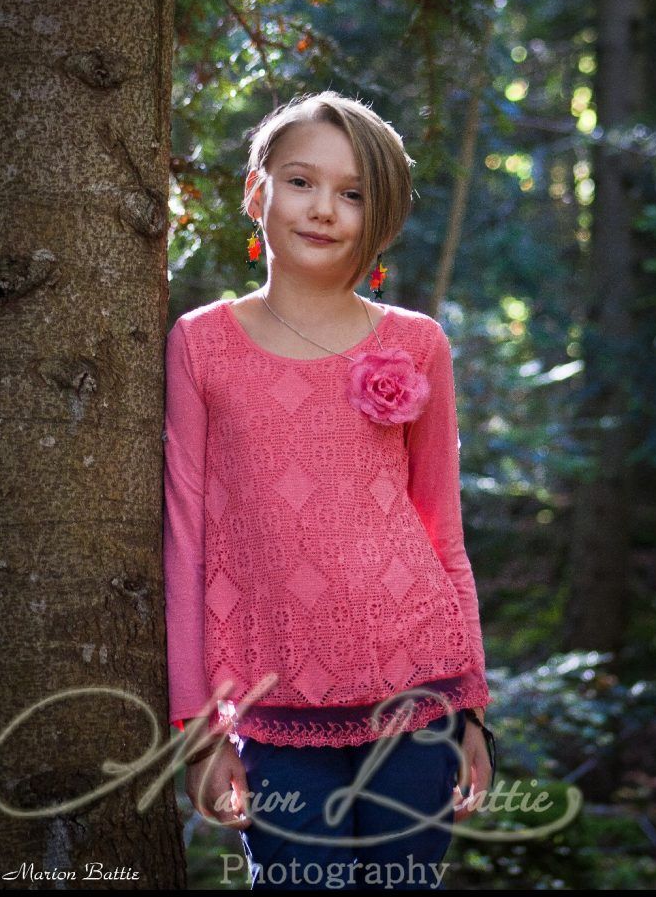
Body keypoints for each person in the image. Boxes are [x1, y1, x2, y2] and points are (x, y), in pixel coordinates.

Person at [163, 92, 494, 891]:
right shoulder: (200, 343)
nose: (323, 209)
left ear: (378, 216)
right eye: (302, 181)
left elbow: (442, 532)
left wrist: (474, 708)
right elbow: (183, 540)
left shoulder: (416, 342)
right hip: (272, 707)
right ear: (257, 192)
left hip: (421, 697)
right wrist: (199, 734)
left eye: (352, 193)